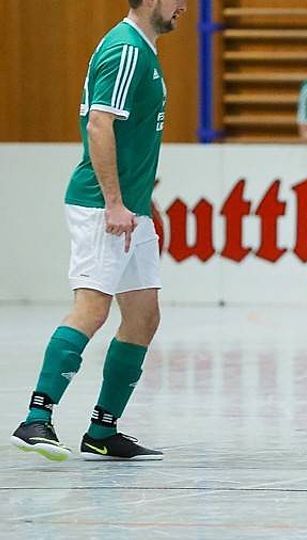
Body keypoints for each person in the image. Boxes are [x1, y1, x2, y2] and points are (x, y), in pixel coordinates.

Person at [9, 0, 187, 461]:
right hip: (103, 206)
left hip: (131, 209)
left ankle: (102, 431)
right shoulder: (126, 49)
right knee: (91, 308)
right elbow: (99, 124)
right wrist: (113, 202)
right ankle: (36, 419)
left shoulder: (143, 49)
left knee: (144, 316)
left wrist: (133, 204)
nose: (184, 5)